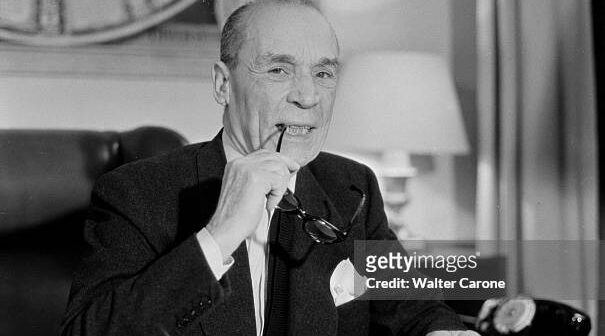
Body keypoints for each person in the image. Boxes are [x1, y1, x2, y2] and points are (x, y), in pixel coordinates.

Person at [60, 1, 479, 335]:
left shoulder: (351, 187)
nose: (307, 96)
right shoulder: (139, 191)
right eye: (279, 69)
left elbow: (415, 311)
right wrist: (218, 235)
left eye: (323, 72)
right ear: (223, 85)